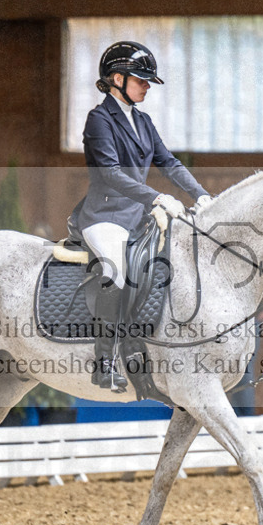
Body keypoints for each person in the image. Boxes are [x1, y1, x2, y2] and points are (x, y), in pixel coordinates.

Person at [76, 41, 211, 392]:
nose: (147, 85)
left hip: (138, 217)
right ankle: (104, 363)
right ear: (117, 79)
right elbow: (110, 173)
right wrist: (157, 197)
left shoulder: (144, 121)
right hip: (105, 216)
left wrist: (201, 195)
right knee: (116, 272)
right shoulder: (99, 120)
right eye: (140, 79)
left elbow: (169, 163)